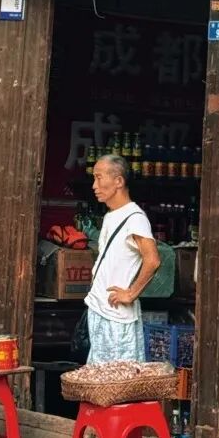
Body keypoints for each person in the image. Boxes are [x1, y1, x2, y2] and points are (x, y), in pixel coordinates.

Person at [85, 153, 160, 364]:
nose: (94, 185)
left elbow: (153, 260)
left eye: (99, 178)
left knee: (118, 375)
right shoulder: (111, 215)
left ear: (118, 181)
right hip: (100, 308)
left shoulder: (135, 218)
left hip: (116, 315)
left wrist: (131, 293)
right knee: (100, 374)